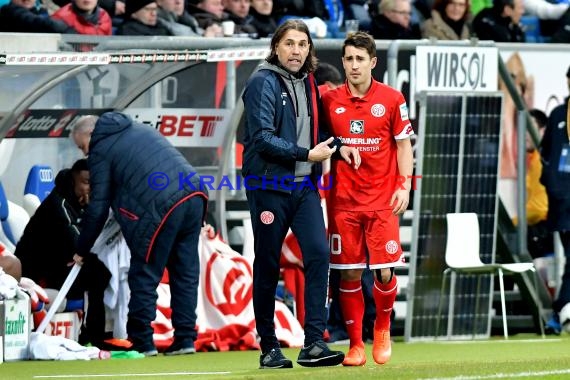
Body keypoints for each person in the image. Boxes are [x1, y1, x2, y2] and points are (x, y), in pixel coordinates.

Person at [242, 19, 359, 369]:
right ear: (276, 47)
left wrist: (340, 145)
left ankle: (313, 343)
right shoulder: (262, 81)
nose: (296, 50)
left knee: (319, 254)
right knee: (267, 264)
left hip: (304, 186)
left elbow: (319, 130)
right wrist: (307, 155)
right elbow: (261, 137)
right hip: (269, 187)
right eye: (289, 43)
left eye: (302, 44)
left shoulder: (308, 80)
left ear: (310, 49)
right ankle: (269, 348)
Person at [70, 113, 208, 356]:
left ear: (91, 134)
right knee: (185, 273)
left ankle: (143, 341)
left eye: (82, 146)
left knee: (145, 272)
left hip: (160, 205)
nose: (85, 154)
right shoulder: (140, 129)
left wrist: (82, 248)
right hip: (195, 195)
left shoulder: (101, 148)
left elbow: (98, 206)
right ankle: (185, 339)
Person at [321, 31, 413, 366]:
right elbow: (321, 139)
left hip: (382, 201)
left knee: (384, 272)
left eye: (360, 59)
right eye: (348, 59)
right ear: (343, 62)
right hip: (344, 202)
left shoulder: (391, 99)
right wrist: (336, 146)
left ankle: (383, 328)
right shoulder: (330, 101)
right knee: (347, 273)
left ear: (373, 62)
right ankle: (356, 345)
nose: (354, 65)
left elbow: (404, 146)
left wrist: (404, 186)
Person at [15, 159, 112, 347]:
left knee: (101, 271)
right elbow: (78, 241)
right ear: (73, 180)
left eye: (93, 184)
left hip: (60, 261)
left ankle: (97, 333)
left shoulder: (78, 201)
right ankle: (92, 335)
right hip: (37, 270)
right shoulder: (59, 203)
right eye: (86, 182)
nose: (89, 188)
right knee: (97, 273)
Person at [540, 66, 570, 335]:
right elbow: (546, 155)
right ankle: (559, 313)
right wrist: (554, 186)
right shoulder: (559, 115)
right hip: (563, 202)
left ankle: (558, 313)